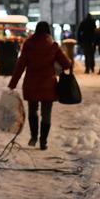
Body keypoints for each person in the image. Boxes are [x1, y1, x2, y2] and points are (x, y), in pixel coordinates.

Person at [9, 21, 72, 150]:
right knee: (46, 114)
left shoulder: (28, 45)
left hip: (31, 84)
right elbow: (66, 64)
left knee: (33, 111)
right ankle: (43, 141)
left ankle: (33, 137)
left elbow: (20, 65)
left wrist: (13, 83)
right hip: (48, 84)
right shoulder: (53, 46)